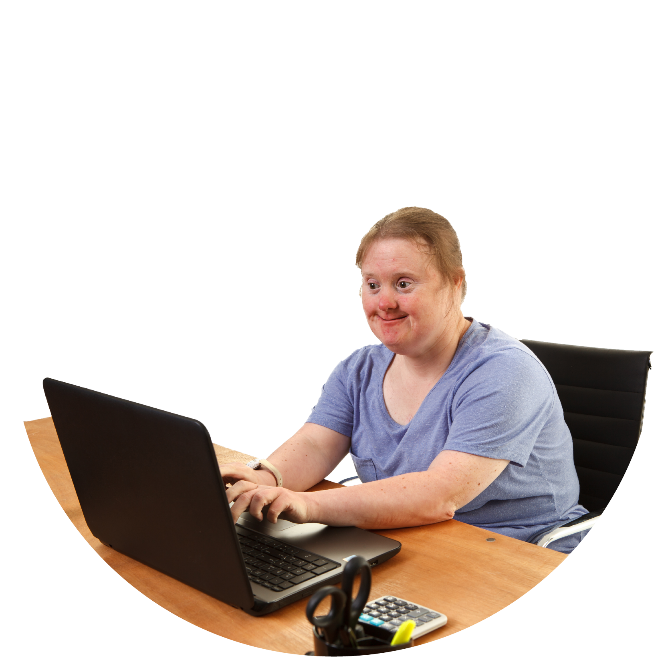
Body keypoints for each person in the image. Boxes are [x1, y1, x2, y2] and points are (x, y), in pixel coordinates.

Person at [221, 206, 590, 554]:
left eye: (403, 283)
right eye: (372, 284)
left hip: (518, 550)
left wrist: (308, 504)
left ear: (456, 285)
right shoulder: (359, 369)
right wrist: (264, 481)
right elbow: (316, 445)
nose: (384, 302)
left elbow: (438, 495)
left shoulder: (504, 372)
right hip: (417, 540)